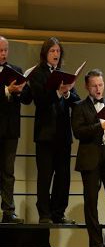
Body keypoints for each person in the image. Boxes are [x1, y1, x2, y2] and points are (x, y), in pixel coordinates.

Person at [71, 70, 105, 247]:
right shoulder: (79, 106)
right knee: (91, 202)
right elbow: (79, 132)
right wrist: (100, 125)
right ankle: (96, 243)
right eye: (94, 85)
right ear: (87, 87)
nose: (98, 89)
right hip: (91, 157)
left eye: (100, 85)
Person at [28, 37, 80, 224]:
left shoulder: (62, 74)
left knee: (63, 176)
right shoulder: (37, 74)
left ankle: (58, 213)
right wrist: (58, 92)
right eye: (52, 51)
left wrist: (67, 92)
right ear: (45, 54)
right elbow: (40, 100)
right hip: (45, 134)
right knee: (45, 175)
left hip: (63, 134)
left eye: (58, 51)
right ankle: (44, 214)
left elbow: (76, 100)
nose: (56, 54)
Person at [0, 35, 31, 223]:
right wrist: (6, 91)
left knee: (8, 171)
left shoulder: (15, 71)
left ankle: (8, 210)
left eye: (5, 50)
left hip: (11, 130)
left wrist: (21, 90)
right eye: (0, 50)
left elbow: (27, 99)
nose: (3, 54)